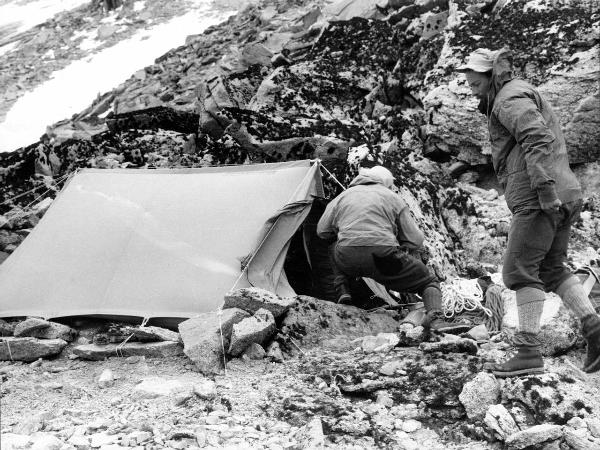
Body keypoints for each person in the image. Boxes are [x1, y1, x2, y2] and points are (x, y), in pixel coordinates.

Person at [458, 48, 600, 376]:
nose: (469, 82)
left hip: (540, 196)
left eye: (475, 77)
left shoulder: (507, 99)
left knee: (518, 272)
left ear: (491, 73)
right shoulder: (517, 92)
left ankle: (528, 352)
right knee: (551, 268)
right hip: (564, 193)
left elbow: (536, 136)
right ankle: (594, 328)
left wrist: (544, 188)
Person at [317, 166, 460, 331]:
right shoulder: (391, 196)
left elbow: (322, 231)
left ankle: (342, 289)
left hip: (347, 258)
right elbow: (416, 240)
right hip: (383, 257)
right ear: (386, 183)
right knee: (429, 282)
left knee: (333, 244)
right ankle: (437, 320)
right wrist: (401, 245)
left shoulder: (341, 197)